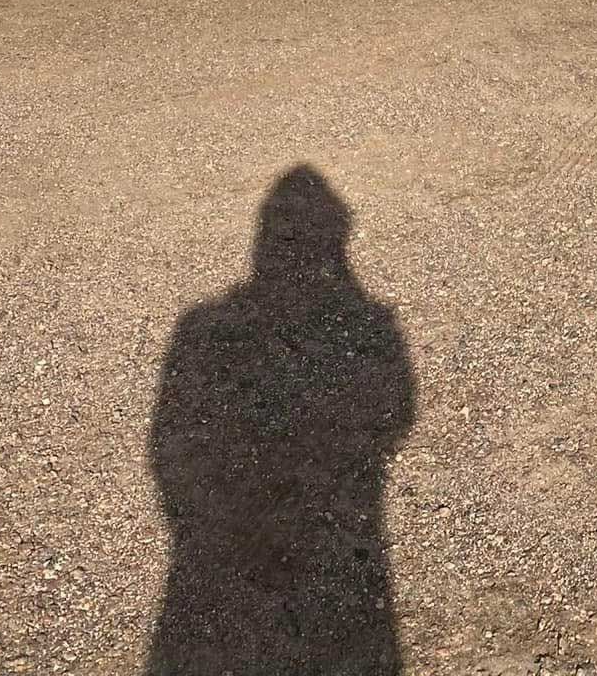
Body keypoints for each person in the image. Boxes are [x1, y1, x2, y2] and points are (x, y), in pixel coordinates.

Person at [146, 165, 416, 674]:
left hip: (216, 559)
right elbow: (398, 412)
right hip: (335, 528)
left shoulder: (202, 326)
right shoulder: (372, 321)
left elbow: (168, 445)